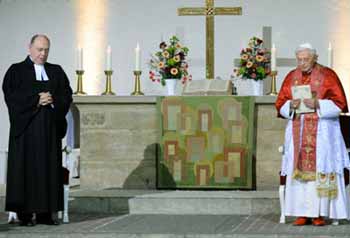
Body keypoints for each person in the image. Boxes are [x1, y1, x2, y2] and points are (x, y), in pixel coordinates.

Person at [275, 43, 349, 226]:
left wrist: (318, 104)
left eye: (305, 59)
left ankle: (320, 213)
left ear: (315, 58)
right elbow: (280, 103)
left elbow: (340, 104)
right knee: (299, 172)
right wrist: (289, 106)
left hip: (323, 133)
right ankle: (302, 213)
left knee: (320, 170)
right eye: (299, 59)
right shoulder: (291, 76)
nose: (302, 63)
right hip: (298, 131)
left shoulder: (328, 75)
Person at [2, 34, 73, 226]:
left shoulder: (56, 71)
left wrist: (53, 99)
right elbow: (11, 95)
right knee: (26, 169)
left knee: (48, 170)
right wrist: (36, 99)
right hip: (26, 131)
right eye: (39, 49)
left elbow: (67, 94)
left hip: (49, 132)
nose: (43, 54)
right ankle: (25, 215)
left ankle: (45, 214)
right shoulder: (16, 71)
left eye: (46, 50)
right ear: (30, 48)